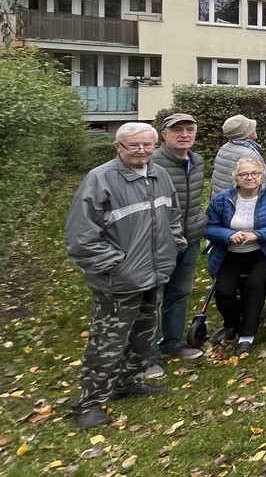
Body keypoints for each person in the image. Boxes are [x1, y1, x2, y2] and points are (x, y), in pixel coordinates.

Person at [65, 122, 186, 428]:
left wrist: (174, 246)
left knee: (144, 336)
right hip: (117, 282)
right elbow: (81, 237)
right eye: (134, 145)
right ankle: (89, 402)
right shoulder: (100, 179)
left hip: (154, 274)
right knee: (107, 342)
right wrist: (116, 265)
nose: (142, 151)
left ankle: (128, 383)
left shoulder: (159, 175)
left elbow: (172, 216)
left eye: (148, 145)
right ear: (118, 147)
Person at [205, 157, 266, 356]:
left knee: (255, 284)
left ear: (262, 175)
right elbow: (209, 227)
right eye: (244, 174)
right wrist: (228, 235)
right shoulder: (222, 198)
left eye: (255, 173)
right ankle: (233, 324)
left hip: (263, 251)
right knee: (224, 290)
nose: (250, 178)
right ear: (235, 177)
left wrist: (257, 234)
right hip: (231, 252)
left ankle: (247, 335)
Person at [146, 114, 206, 379]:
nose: (184, 134)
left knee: (180, 292)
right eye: (177, 130)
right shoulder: (152, 163)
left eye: (189, 130)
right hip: (158, 243)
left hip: (190, 237)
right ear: (164, 134)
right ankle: (147, 356)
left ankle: (173, 342)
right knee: (152, 297)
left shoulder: (197, 161)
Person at [211, 114, 266, 197]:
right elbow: (263, 182)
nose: (255, 128)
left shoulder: (225, 147)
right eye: (251, 127)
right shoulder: (248, 154)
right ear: (246, 133)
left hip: (220, 200)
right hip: (236, 202)